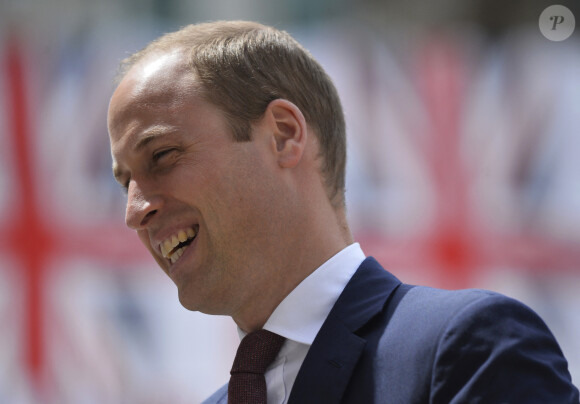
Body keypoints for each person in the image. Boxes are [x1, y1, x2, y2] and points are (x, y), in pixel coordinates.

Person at [107, 20, 579, 403]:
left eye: (162, 156)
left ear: (284, 135)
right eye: (125, 181)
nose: (134, 212)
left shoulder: (468, 348)